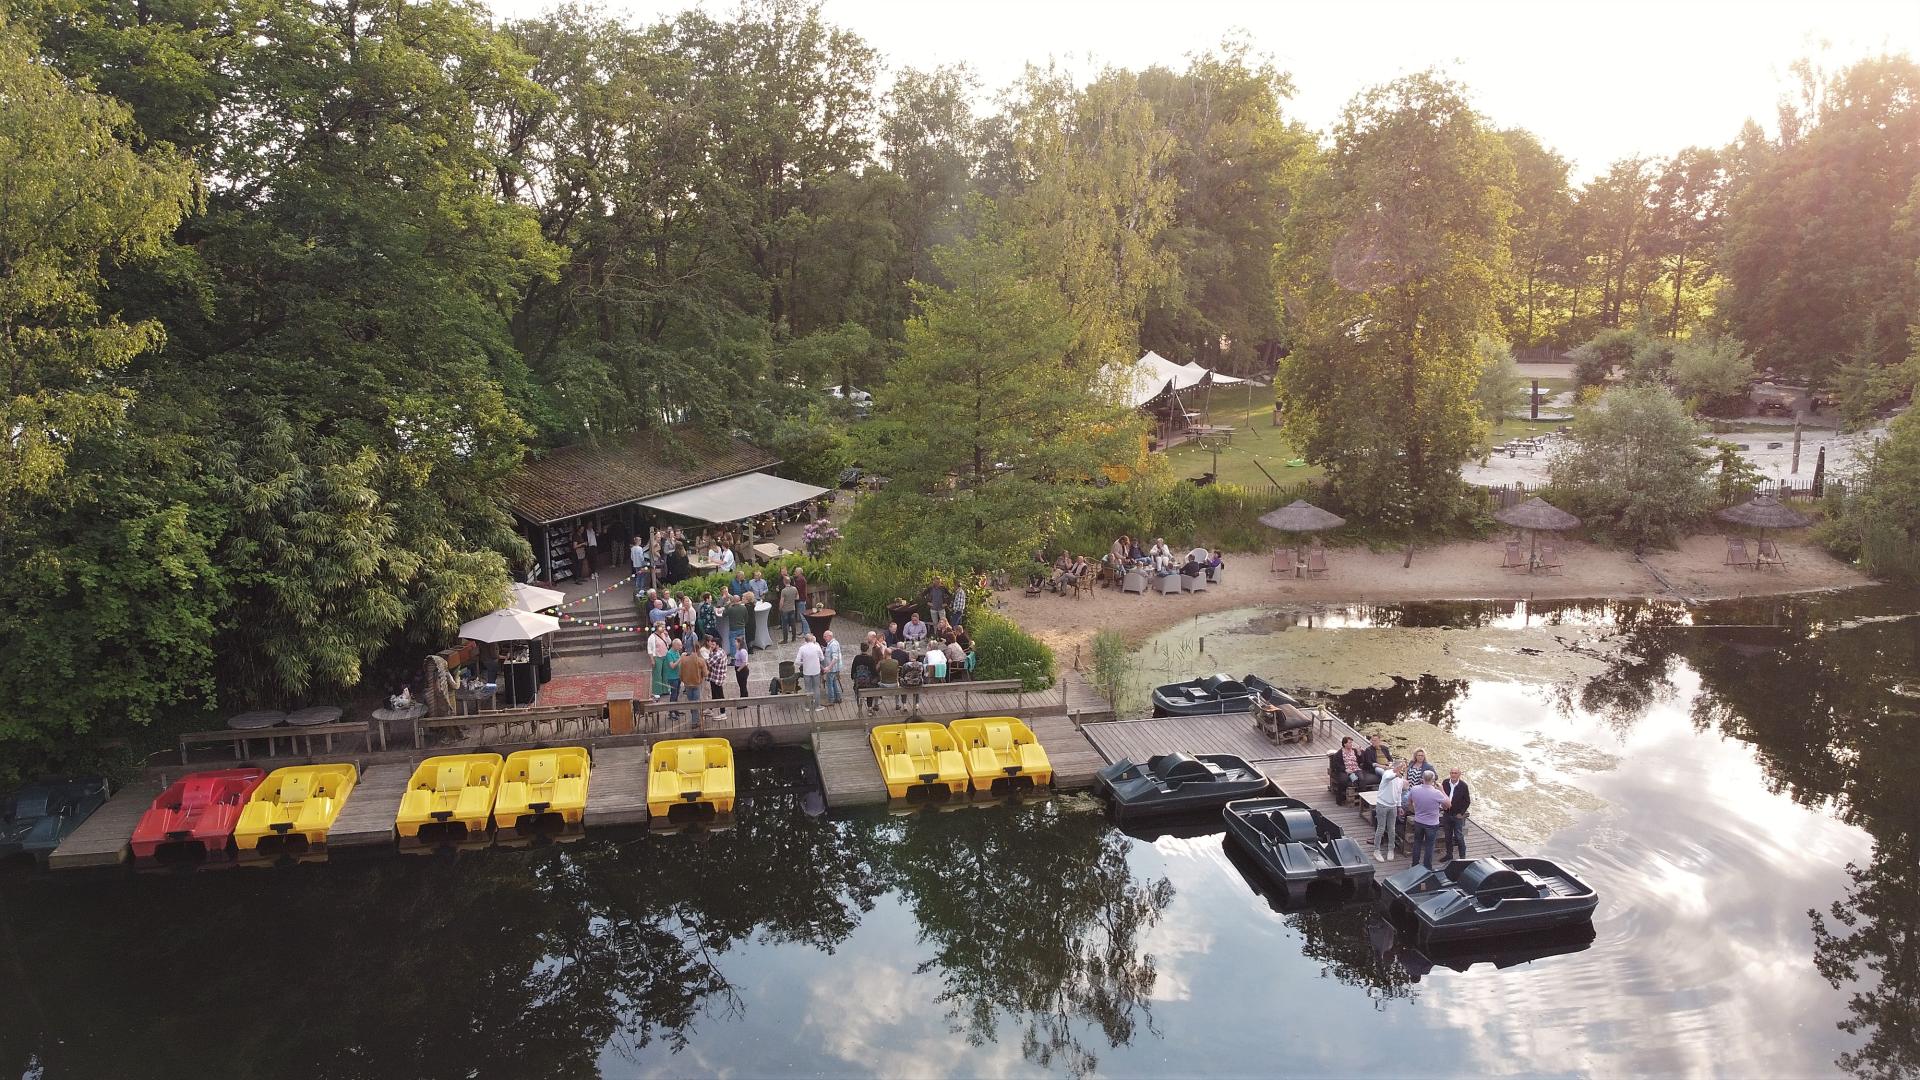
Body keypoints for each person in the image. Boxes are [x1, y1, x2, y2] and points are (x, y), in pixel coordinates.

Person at [1404, 770, 1451, 870]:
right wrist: (1442, 790)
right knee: (1429, 845)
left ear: (1422, 778)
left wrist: (1415, 811)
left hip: (1418, 821)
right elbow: (1448, 804)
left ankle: (1414, 864)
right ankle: (1427, 867)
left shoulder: (1415, 789)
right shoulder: (1436, 793)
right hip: (1432, 824)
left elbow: (1409, 803)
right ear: (1433, 779)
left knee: (1417, 843)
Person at [1373, 763, 1404, 862]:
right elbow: (1388, 777)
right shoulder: (1387, 773)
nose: (1400, 769)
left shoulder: (1400, 779)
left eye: (1402, 767)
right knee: (1381, 827)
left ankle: (1391, 849)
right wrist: (1395, 774)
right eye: (1399, 767)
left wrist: (1399, 806)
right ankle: (1376, 850)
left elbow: (1399, 793)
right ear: (1395, 767)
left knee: (1392, 828)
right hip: (1382, 804)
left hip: (1393, 806)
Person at [1441, 768, 1472, 862]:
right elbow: (1441, 795)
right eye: (1452, 773)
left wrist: (1461, 813)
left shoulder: (1463, 786)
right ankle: (1449, 854)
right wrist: (1442, 805)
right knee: (1447, 835)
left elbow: (1467, 801)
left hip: (1457, 815)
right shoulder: (1445, 782)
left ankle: (1463, 856)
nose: (1453, 775)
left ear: (1459, 774)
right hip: (1447, 813)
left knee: (1459, 835)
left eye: (1455, 773)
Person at [677, 641, 707, 728]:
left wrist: (684, 680)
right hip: (697, 684)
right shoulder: (700, 660)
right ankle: (695, 722)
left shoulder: (683, 660)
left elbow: (680, 673)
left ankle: (695, 719)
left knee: (691, 702)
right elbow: (705, 674)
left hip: (687, 684)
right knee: (696, 703)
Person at [796, 633, 825, 708]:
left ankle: (807, 706)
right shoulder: (817, 647)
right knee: (816, 688)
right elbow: (822, 658)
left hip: (807, 671)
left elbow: (797, 662)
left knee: (807, 689)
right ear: (812, 639)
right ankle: (817, 706)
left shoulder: (802, 648)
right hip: (816, 671)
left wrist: (804, 662)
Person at [1333, 735, 1365, 802]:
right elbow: (1336, 765)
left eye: (1351, 743)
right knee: (1343, 780)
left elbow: (1361, 761)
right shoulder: (1339, 753)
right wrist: (1345, 769)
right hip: (1346, 770)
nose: (1351, 744)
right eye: (1349, 743)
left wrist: (1359, 754)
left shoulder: (1355, 751)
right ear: (1344, 744)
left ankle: (1362, 800)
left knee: (1362, 779)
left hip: (1356, 769)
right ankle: (1340, 799)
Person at [875, 648, 901, 714]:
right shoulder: (896, 662)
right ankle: (897, 704)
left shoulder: (882, 662)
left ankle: (876, 704)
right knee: (897, 686)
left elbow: (876, 670)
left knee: (876, 686)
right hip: (894, 684)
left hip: (884, 684)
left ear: (885, 654)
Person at [822, 630, 844, 706]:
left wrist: (828, 667)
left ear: (830, 636)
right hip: (833, 668)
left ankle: (831, 700)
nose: (824, 638)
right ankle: (838, 698)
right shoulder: (831, 643)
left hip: (832, 668)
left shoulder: (833, 644)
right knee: (834, 682)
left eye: (825, 636)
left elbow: (835, 658)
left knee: (829, 684)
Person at [779, 576, 801, 642]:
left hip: (785, 610)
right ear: (790, 581)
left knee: (785, 625)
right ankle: (794, 638)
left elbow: (781, 601)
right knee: (793, 624)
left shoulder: (783, 591)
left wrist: (780, 608)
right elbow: (797, 597)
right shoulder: (794, 588)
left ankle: (785, 640)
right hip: (792, 609)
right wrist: (791, 599)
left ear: (784, 582)